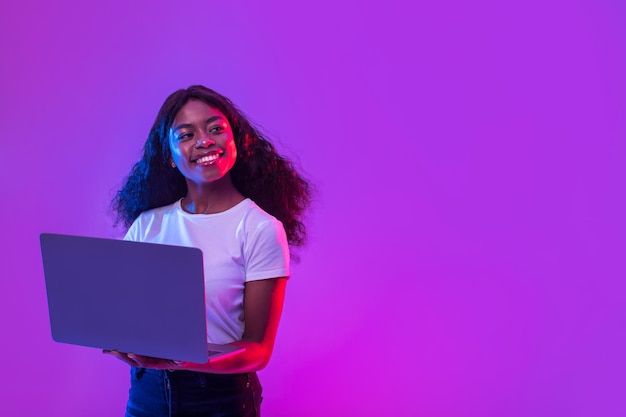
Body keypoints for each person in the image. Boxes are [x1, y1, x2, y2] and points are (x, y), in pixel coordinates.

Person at [106, 85, 311, 417]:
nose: (204, 140)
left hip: (219, 398)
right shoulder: (147, 226)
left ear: (238, 142)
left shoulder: (259, 228)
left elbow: (258, 351)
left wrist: (184, 358)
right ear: (169, 157)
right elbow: (127, 312)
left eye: (216, 128)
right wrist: (118, 337)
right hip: (148, 393)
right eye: (186, 135)